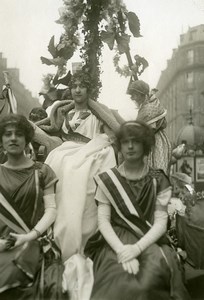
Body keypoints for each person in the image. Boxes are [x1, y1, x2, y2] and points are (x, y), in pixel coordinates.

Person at [32, 69, 124, 298]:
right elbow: (51, 128)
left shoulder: (98, 113)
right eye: (74, 86)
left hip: (90, 151)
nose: (77, 90)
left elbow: (113, 133)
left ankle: (83, 237)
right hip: (65, 150)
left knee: (77, 170)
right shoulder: (64, 111)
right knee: (58, 161)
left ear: (89, 90)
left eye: (82, 86)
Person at [85, 120, 190, 300]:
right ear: (120, 145)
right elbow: (103, 222)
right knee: (115, 280)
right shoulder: (107, 179)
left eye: (136, 141)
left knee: (152, 278)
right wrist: (121, 251)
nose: (130, 146)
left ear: (145, 145)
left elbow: (161, 223)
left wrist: (136, 249)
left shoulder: (158, 179)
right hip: (114, 241)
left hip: (149, 239)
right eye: (125, 142)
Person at [0, 114, 67, 300]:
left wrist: (30, 235)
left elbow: (51, 210)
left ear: (27, 138)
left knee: (11, 272)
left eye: (19, 134)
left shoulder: (42, 171)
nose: (13, 138)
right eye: (8, 134)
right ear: (2, 139)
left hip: (33, 241)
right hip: (1, 243)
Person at [128, 80, 172, 175]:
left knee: (157, 169)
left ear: (141, 94)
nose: (133, 98)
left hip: (156, 142)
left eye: (134, 95)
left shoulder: (148, 108)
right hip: (154, 140)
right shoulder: (148, 105)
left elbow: (150, 129)